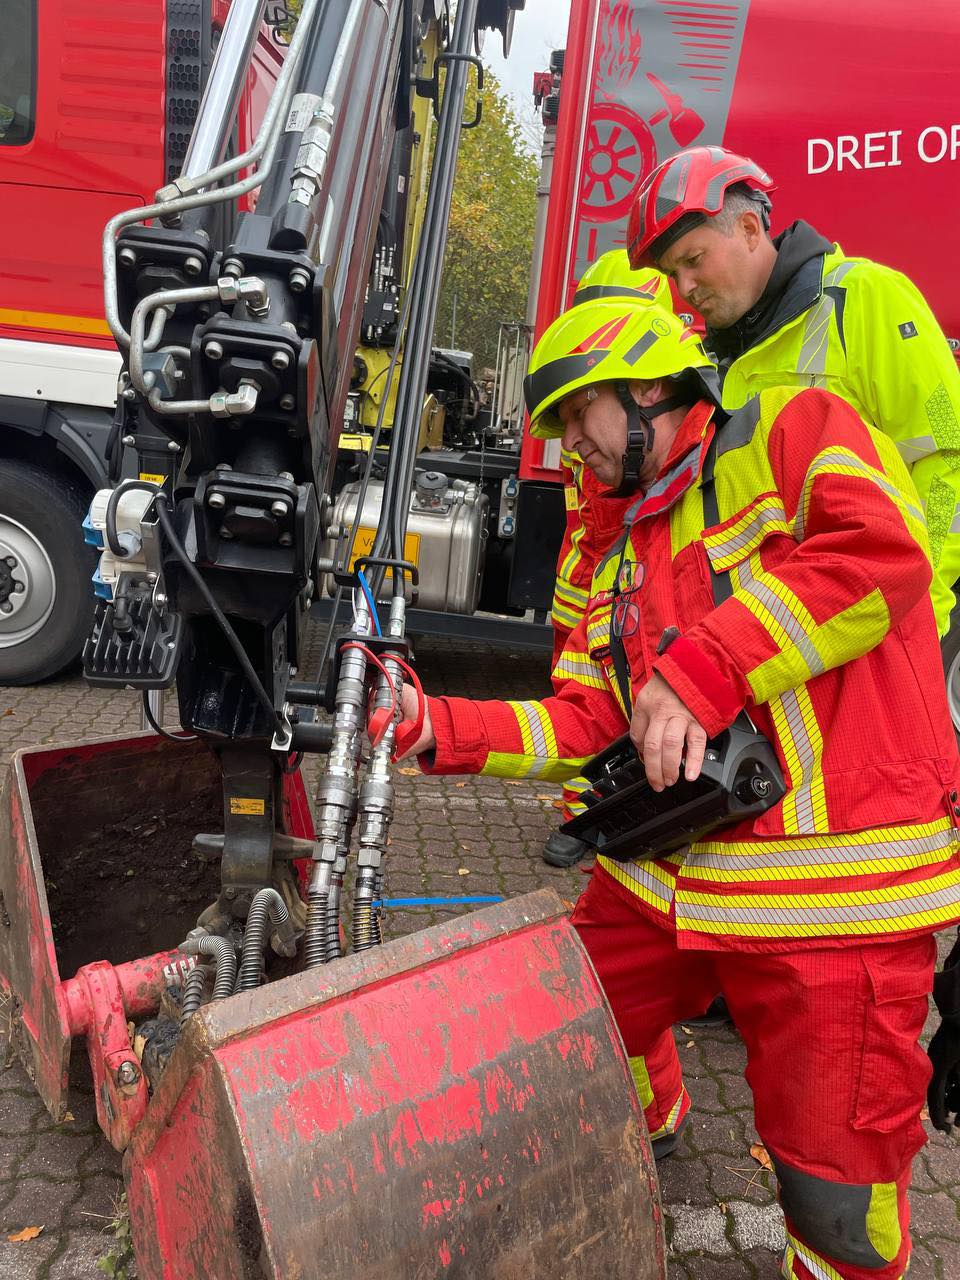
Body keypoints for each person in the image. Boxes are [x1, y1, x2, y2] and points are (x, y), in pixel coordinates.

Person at [385, 296, 960, 1280]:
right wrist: (434, 722)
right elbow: (584, 725)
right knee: (555, 1027)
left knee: (834, 1202)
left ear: (649, 388)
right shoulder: (611, 547)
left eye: (579, 416)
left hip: (830, 907)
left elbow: (882, 556)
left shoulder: (791, 430)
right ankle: (646, 1118)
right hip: (666, 885)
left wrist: (703, 667)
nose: (571, 447)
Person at [626, 144, 960, 636]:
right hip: (770, 646)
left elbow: (948, 455)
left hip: (870, 631)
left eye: (693, 260)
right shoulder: (716, 356)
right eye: (673, 274)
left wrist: (915, 613)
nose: (685, 287)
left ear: (748, 229)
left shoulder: (869, 298)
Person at [545, 250, 673, 869]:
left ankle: (605, 815)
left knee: (625, 706)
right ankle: (582, 815)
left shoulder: (645, 433)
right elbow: (583, 521)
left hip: (624, 584)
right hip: (589, 587)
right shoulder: (598, 424)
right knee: (583, 705)